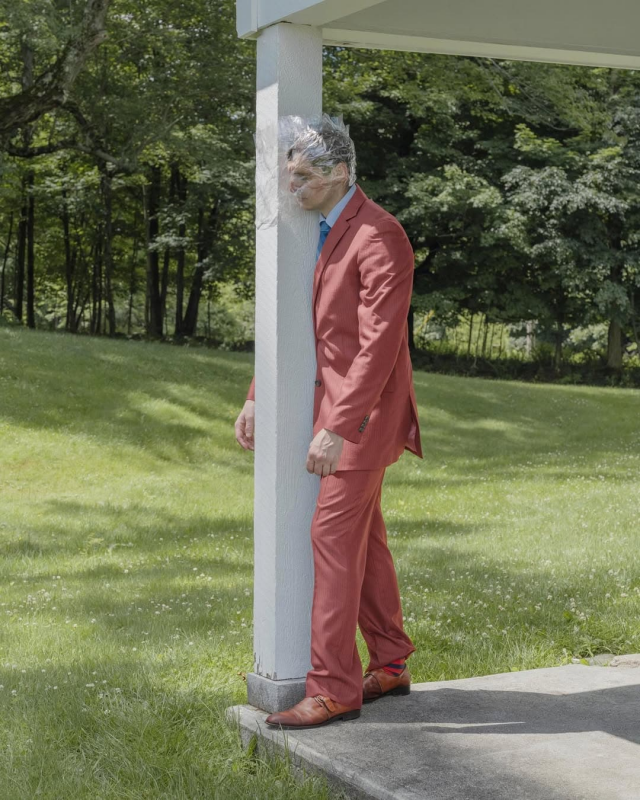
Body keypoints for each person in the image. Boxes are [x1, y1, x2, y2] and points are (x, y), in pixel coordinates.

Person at [235, 114, 423, 729]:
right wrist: (258, 394)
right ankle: (390, 662)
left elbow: (379, 345)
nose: (291, 186)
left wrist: (339, 425)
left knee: (333, 540)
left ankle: (334, 688)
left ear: (340, 172)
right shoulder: (321, 229)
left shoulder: (379, 234)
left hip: (363, 419)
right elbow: (301, 328)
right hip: (339, 410)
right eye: (289, 175)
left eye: (303, 176)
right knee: (366, 541)